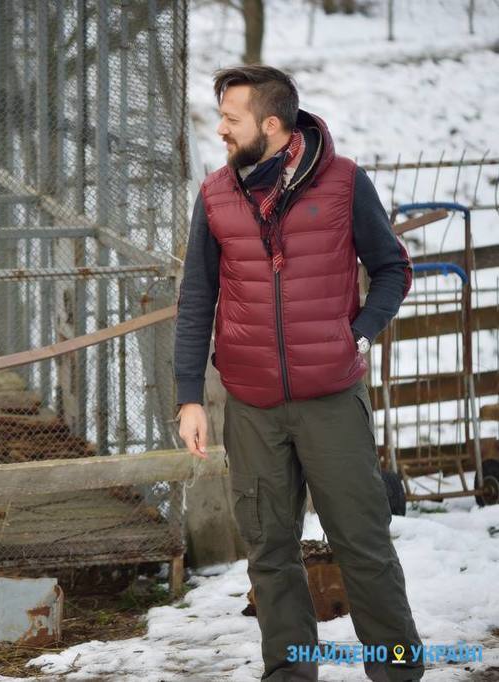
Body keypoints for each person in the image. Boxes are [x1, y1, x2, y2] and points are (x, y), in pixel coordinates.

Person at [174, 65, 423, 681]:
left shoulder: (343, 184)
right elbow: (197, 298)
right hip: (253, 407)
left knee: (362, 545)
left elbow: (392, 268)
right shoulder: (214, 195)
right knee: (270, 553)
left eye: (231, 119)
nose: (222, 131)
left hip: (331, 401)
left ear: (272, 125)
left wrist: (355, 332)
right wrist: (189, 398)